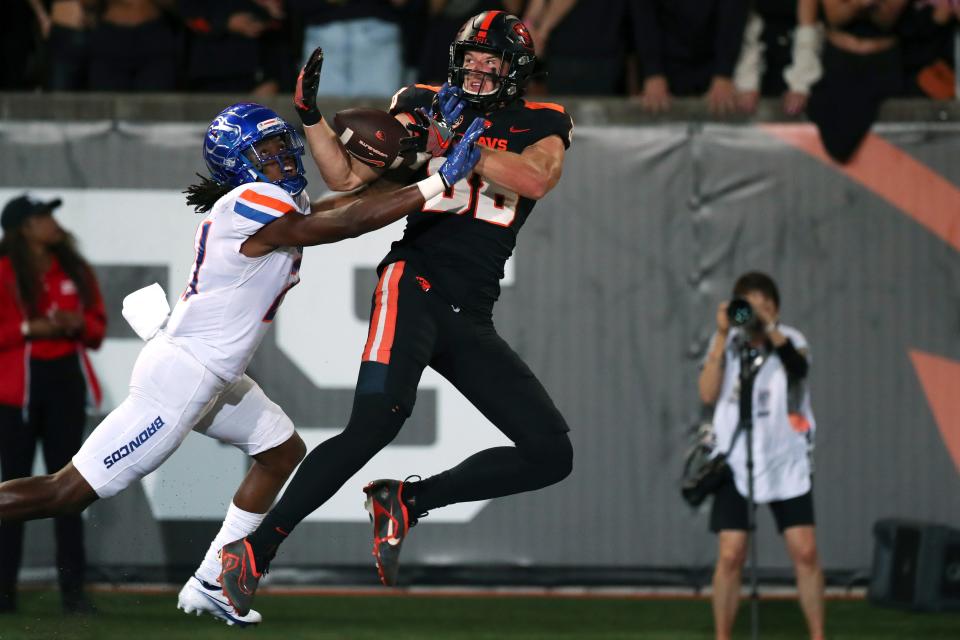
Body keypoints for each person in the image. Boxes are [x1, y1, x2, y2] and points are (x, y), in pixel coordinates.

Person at [0, 102, 485, 625]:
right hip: (186, 375)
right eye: (266, 150)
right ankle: (213, 579)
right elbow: (341, 225)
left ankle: (212, 581)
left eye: (281, 145)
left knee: (280, 450)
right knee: (67, 491)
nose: (280, 156)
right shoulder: (248, 200)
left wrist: (425, 163)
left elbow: (336, 208)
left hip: (212, 374)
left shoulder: (275, 198)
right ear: (237, 163)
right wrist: (438, 185)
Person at [219, 11, 574, 615]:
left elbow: (537, 177)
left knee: (549, 453)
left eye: (493, 60)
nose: (479, 69)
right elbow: (349, 175)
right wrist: (313, 119)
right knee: (376, 422)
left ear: (515, 70)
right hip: (414, 282)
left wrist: (465, 150)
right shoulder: (425, 101)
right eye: (472, 57)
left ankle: (407, 501)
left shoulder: (543, 121)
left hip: (471, 309)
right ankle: (255, 549)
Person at [698, 272, 824, 640]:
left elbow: (798, 369)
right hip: (736, 459)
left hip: (786, 460)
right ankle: (723, 635)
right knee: (731, 554)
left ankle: (818, 634)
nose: (753, 313)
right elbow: (707, 394)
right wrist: (722, 335)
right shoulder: (729, 343)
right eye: (747, 305)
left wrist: (770, 327)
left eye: (762, 304)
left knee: (805, 552)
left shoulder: (792, 341)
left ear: (776, 307)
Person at [0, 195, 106, 614]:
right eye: (43, 217)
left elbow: (97, 329)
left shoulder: (74, 270)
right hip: (17, 393)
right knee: (13, 488)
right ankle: (4, 593)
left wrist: (79, 323)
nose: (52, 224)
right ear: (24, 228)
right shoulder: (5, 272)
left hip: (65, 384)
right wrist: (32, 327)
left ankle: (73, 593)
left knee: (71, 490)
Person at [630, 0, 750, 114]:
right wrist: (653, 72)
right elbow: (643, 17)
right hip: (665, 63)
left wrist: (724, 73)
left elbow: (734, 15)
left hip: (716, 62)